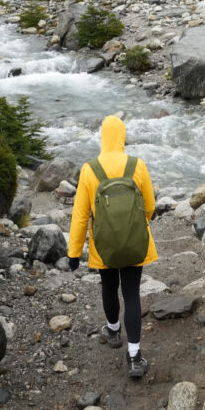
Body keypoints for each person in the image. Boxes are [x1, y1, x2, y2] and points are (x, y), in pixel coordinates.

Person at [68, 115, 158, 378]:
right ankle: (134, 357)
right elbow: (150, 205)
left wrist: (74, 252)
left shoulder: (89, 169)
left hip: (103, 245)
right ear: (123, 137)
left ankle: (113, 331)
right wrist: (134, 227)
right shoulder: (136, 165)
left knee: (108, 287)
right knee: (131, 294)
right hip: (134, 243)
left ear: (102, 137)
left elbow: (81, 215)